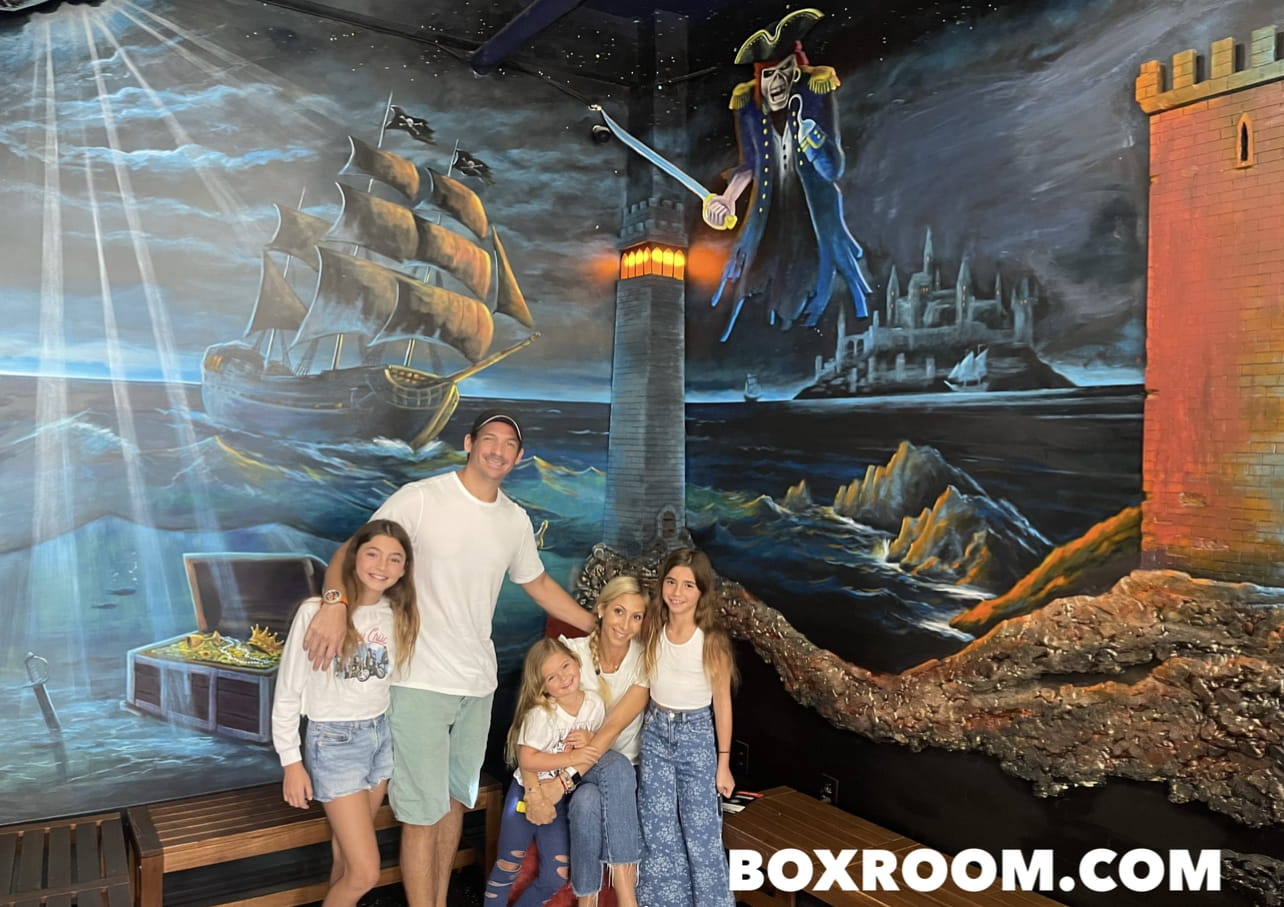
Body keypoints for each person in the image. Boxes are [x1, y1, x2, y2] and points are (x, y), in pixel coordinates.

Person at [302, 409, 597, 907]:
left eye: (509, 444)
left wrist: (596, 625)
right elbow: (354, 551)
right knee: (422, 816)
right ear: (469, 443)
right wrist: (334, 604)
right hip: (419, 681)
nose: (498, 450)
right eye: (490, 439)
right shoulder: (421, 498)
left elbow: (538, 583)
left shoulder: (514, 519)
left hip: (477, 686)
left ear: (519, 457)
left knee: (454, 805)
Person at [272, 519, 420, 907]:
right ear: (354, 557)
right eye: (373, 553)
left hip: (379, 739)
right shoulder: (315, 612)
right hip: (334, 742)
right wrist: (291, 762)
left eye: (394, 559)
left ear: (403, 569)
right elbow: (287, 693)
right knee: (366, 873)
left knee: (346, 858)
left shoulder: (396, 614)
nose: (382, 566)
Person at [703, 7, 873, 341]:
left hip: (814, 218)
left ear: (795, 72)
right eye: (769, 75)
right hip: (768, 217)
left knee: (813, 287)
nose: (777, 82)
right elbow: (750, 163)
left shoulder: (816, 91)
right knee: (754, 288)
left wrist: (814, 141)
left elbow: (832, 169)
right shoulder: (750, 108)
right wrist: (728, 199)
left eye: (784, 72)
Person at [636, 548, 738, 907]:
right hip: (655, 733)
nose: (677, 592)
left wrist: (723, 764)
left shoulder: (711, 640)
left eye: (688, 585)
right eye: (671, 582)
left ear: (702, 592)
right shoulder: (653, 629)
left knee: (702, 832)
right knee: (658, 828)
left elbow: (722, 704)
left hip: (696, 735)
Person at [485, 638, 606, 906]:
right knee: (507, 867)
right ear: (542, 686)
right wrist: (571, 756)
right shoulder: (541, 713)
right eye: (551, 677)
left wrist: (591, 738)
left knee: (556, 875)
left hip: (558, 798)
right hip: (524, 793)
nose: (563, 678)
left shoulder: (594, 705)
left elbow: (599, 745)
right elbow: (527, 759)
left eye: (565, 666)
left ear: (577, 662)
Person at [559, 576, 649, 907]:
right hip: (577, 765)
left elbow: (613, 727)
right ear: (601, 609)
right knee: (614, 770)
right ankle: (628, 900)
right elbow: (554, 718)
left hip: (621, 772)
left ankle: (587, 903)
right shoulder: (572, 653)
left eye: (636, 617)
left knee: (588, 801)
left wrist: (591, 740)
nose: (625, 625)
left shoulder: (644, 659)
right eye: (619, 612)